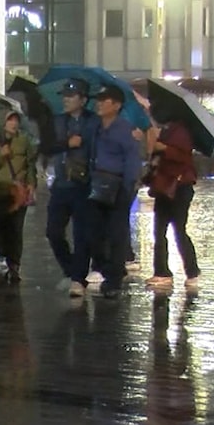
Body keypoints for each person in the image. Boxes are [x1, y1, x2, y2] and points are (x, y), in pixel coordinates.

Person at [44, 78, 100, 298]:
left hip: (84, 185)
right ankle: (70, 270)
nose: (66, 100)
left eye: (71, 95)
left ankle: (78, 278)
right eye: (64, 96)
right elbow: (46, 146)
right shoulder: (57, 122)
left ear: (83, 100)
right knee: (53, 231)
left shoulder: (94, 122)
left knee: (81, 234)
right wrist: (67, 144)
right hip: (61, 185)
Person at [89, 85, 139, 299]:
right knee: (96, 232)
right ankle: (104, 268)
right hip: (97, 184)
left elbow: (132, 161)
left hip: (117, 185)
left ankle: (114, 280)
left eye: (104, 100)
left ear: (117, 105)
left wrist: (127, 187)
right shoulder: (96, 128)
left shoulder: (126, 130)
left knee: (117, 233)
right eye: (98, 100)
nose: (99, 103)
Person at [145, 118, 200, 292]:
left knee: (179, 230)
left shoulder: (181, 130)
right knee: (159, 231)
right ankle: (161, 272)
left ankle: (192, 271)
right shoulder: (165, 130)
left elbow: (183, 156)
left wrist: (164, 149)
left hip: (179, 187)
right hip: (163, 187)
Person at [0, 109, 38, 283]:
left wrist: (31, 184)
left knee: (16, 229)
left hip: (18, 191)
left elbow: (31, 164)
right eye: (10, 120)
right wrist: (1, 157)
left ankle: (14, 264)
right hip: (0, 190)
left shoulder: (24, 141)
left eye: (16, 120)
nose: (14, 124)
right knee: (1, 227)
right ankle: (4, 254)